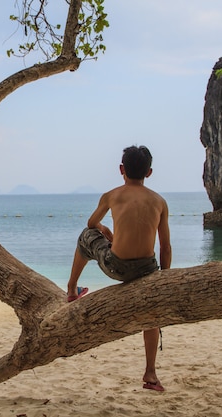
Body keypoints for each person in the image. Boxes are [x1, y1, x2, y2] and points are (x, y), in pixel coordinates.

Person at [66, 145, 172, 392]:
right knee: (152, 317)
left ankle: (72, 289)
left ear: (121, 169)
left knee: (85, 236)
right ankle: (150, 373)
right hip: (147, 270)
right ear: (150, 172)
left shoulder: (111, 195)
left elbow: (91, 224)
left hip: (116, 267)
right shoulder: (160, 201)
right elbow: (165, 247)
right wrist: (165, 280)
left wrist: (105, 230)